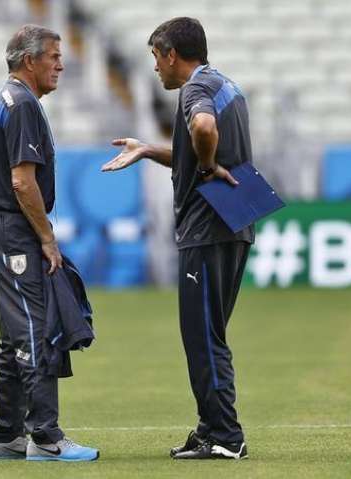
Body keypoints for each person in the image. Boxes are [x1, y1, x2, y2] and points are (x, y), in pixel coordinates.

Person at [102, 16, 252, 460]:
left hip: (206, 226)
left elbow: (205, 132)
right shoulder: (226, 85)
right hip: (236, 217)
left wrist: (204, 168)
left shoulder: (194, 91)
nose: (155, 69)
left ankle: (226, 436)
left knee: (203, 336)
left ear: (172, 55)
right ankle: (210, 428)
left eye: (155, 58)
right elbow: (201, 146)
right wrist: (149, 149)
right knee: (209, 332)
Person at [0, 24, 98, 462]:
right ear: (27, 59)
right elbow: (22, 181)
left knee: (15, 332)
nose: (61, 63)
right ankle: (46, 438)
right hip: (14, 229)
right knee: (36, 328)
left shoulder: (2, 100)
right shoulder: (22, 106)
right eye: (54, 55)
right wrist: (45, 237)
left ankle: (6, 436)